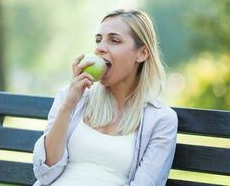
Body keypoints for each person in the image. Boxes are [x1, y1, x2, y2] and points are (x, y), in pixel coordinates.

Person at [32, 9, 178, 186]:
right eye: (98, 40)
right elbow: (45, 173)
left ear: (142, 53)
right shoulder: (71, 97)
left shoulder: (161, 120)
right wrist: (68, 105)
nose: (100, 48)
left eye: (114, 40)